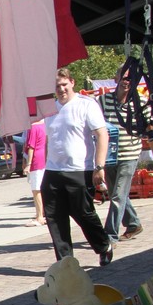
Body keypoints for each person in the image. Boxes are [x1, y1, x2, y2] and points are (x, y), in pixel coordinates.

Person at [42, 68, 115, 266]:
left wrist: (99, 166)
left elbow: (102, 134)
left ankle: (103, 246)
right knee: (55, 218)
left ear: (72, 82)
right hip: (53, 170)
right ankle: (66, 262)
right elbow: (49, 139)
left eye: (64, 84)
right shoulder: (50, 109)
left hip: (79, 170)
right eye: (57, 86)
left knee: (83, 213)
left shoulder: (86, 104)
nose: (61, 89)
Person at [98, 64, 153, 243]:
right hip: (109, 156)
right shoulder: (103, 101)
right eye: (123, 77)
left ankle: (109, 236)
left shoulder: (141, 103)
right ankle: (133, 223)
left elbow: (151, 131)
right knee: (117, 194)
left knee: (118, 195)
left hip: (129, 155)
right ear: (116, 79)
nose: (126, 81)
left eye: (130, 78)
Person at [23, 120, 47, 227]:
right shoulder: (45, 125)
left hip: (36, 160)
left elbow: (31, 147)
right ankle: (44, 214)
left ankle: (39, 217)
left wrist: (28, 163)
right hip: (45, 158)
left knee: (36, 190)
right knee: (43, 188)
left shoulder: (33, 128)